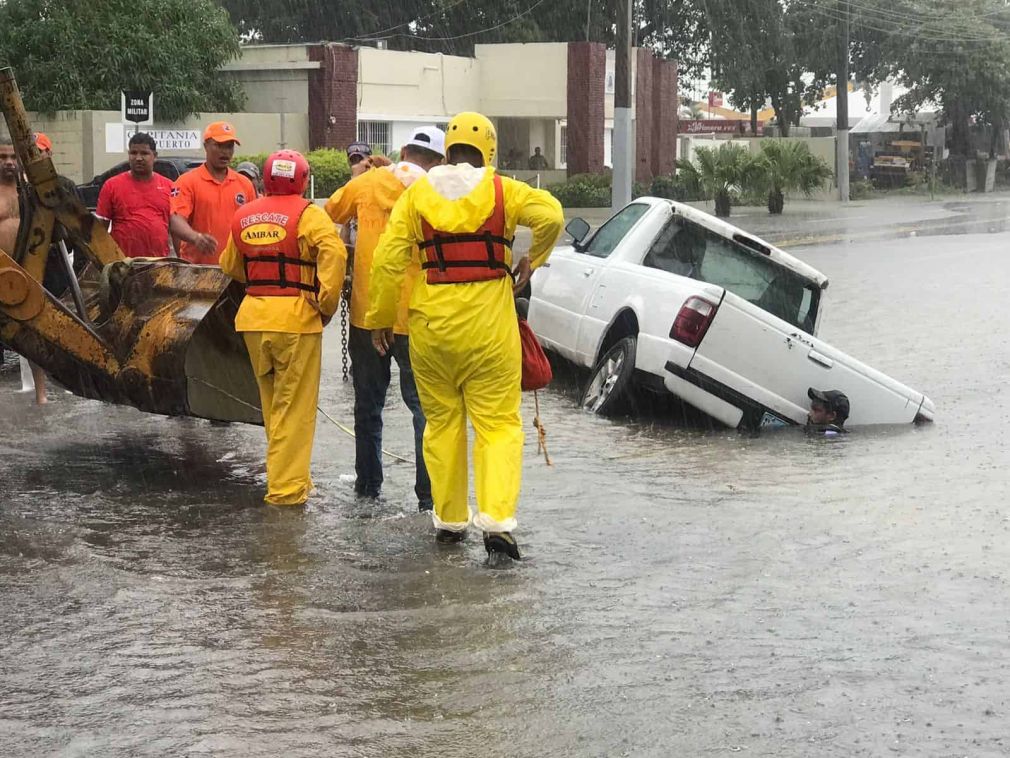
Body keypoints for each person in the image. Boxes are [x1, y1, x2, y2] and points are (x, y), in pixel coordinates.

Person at [366, 111, 564, 560]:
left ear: (447, 148)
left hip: (431, 329)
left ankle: (450, 520)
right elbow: (551, 214)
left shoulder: (416, 194)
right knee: (496, 426)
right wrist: (535, 257)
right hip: (489, 332)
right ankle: (496, 526)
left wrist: (379, 319)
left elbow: (387, 262)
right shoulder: (504, 190)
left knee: (442, 425)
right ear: (489, 149)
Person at [325, 126, 446, 511]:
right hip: (417, 316)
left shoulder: (372, 182)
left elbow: (331, 211)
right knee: (423, 410)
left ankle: (368, 488)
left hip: (367, 313)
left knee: (368, 406)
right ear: (440, 161)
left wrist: (360, 176)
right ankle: (428, 498)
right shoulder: (440, 190)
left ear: (404, 149)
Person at [219, 150, 347, 506]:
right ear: (303, 181)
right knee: (295, 410)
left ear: (265, 179)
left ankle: (295, 479)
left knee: (274, 406)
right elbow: (334, 254)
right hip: (296, 320)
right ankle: (286, 492)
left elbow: (229, 265)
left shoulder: (244, 215)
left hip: (253, 319)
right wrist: (325, 303)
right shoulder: (309, 215)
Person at [169, 121, 256, 264]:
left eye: (229, 146)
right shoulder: (187, 182)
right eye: (219, 145)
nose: (225, 152)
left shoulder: (244, 184)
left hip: (236, 271)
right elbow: (176, 220)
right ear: (206, 146)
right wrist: (196, 238)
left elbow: (254, 224)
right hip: (198, 272)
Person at [95, 132, 173, 258]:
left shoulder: (169, 187)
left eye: (144, 153)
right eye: (133, 153)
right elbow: (99, 231)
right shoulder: (111, 186)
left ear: (155, 156)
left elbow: (175, 229)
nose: (138, 158)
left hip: (159, 264)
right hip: (122, 265)